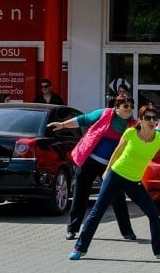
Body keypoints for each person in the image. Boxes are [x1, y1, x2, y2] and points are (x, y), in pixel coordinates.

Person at [68, 106, 160, 260]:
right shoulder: (131, 133)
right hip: (116, 176)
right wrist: (107, 169)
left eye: (154, 118)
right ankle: (79, 248)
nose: (152, 121)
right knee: (96, 212)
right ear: (141, 120)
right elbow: (117, 151)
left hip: (134, 181)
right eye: (148, 118)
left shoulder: (159, 139)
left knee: (153, 214)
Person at [49, 94, 140, 241]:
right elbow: (83, 119)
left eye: (131, 106)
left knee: (118, 198)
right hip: (89, 161)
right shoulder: (104, 114)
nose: (129, 109)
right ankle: (72, 230)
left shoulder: (133, 124)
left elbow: (152, 132)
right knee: (80, 195)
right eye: (126, 106)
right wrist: (63, 125)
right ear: (117, 107)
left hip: (111, 166)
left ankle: (127, 232)